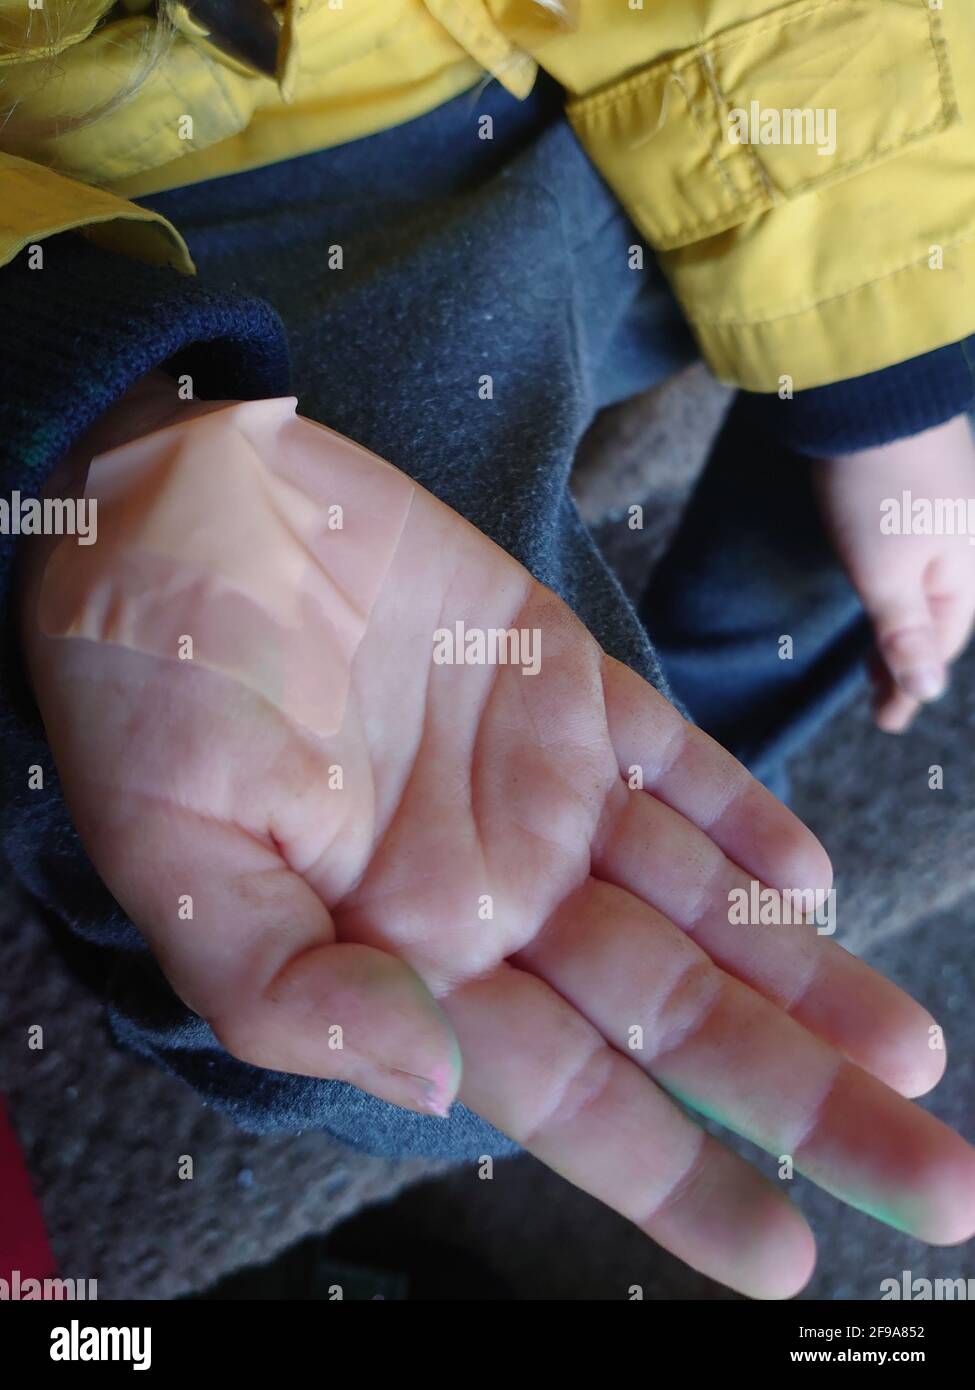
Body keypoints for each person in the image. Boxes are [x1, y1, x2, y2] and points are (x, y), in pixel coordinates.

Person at [2, 1, 974, 1299]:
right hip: (111, 185)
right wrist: (81, 413)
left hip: (596, 68)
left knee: (924, 325)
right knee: (419, 1025)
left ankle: (706, 743)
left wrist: (882, 337)